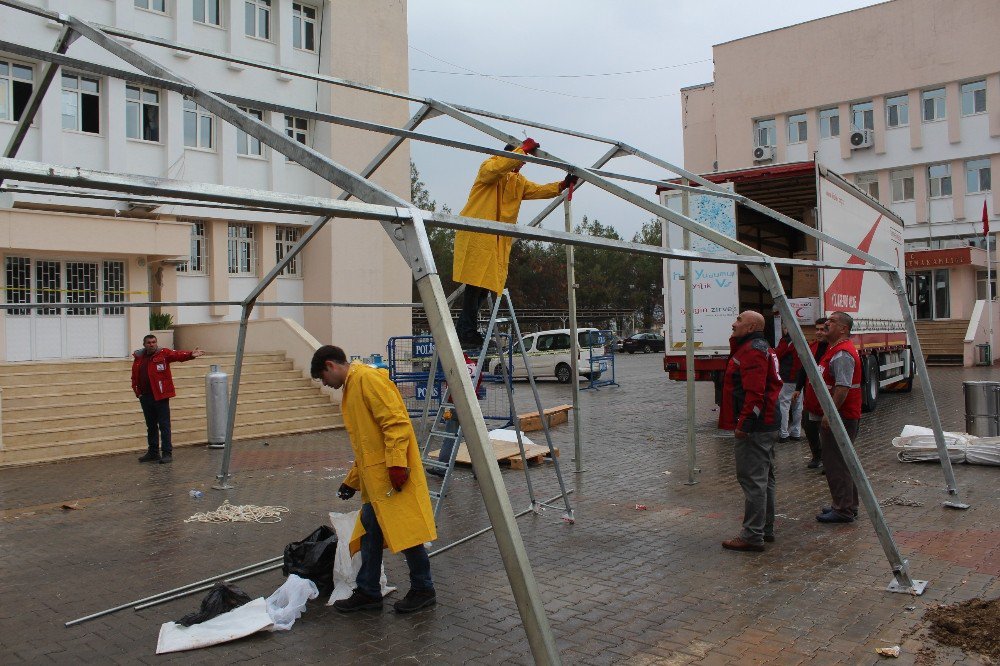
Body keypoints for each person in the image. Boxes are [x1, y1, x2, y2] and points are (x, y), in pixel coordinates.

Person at [312, 345, 438, 613]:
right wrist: (352, 481)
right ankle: (369, 590)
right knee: (370, 531)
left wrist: (396, 464)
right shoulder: (354, 384)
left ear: (330, 366)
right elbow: (367, 445)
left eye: (323, 378)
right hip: (378, 481)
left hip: (391, 478)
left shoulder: (366, 380)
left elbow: (396, 423)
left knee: (407, 533)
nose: (325, 384)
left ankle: (423, 588)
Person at [453, 138, 578, 348]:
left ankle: (466, 330)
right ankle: (466, 331)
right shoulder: (490, 166)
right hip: (479, 234)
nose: (523, 163)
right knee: (474, 285)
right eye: (520, 159)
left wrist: (562, 185)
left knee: (483, 287)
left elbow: (538, 190)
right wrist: (521, 151)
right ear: (511, 155)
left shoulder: (518, 182)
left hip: (496, 238)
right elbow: (495, 170)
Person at [719, 310, 782, 552]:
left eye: (739, 320)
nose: (734, 324)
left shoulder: (753, 350)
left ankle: (753, 535)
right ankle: (764, 529)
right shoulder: (758, 347)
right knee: (765, 479)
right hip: (766, 424)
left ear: (751, 326)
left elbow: (755, 393)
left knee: (754, 480)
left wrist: (744, 424)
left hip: (757, 427)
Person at [803, 312, 862, 523]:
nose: (827, 323)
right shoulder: (834, 350)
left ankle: (843, 509)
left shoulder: (843, 354)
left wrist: (831, 414)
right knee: (842, 461)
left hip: (842, 417)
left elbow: (843, 388)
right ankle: (846, 503)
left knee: (836, 462)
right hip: (838, 416)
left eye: (833, 321)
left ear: (844, 329)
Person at [131, 334, 204, 464]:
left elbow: (177, 355)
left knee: (164, 425)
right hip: (145, 397)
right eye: (149, 342)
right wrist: (138, 393)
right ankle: (153, 452)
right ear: (144, 344)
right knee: (151, 426)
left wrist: (191, 354)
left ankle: (167, 453)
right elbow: (134, 377)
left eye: (153, 342)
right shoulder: (139, 358)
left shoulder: (163, 354)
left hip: (160, 396)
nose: (151, 344)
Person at [792, 318, 828, 469]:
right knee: (808, 426)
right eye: (817, 329)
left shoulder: (834, 349)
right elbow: (803, 369)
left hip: (828, 398)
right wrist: (797, 388)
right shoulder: (812, 348)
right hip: (811, 397)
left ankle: (829, 461)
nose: (819, 332)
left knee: (827, 431)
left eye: (823, 329)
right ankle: (817, 456)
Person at [775, 324, 803, 443]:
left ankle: (784, 433)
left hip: (787, 377)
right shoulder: (802, 340)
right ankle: (796, 432)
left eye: (785, 327)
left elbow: (777, 354)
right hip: (799, 378)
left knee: (784, 405)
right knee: (798, 406)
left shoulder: (786, 341)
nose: (784, 329)